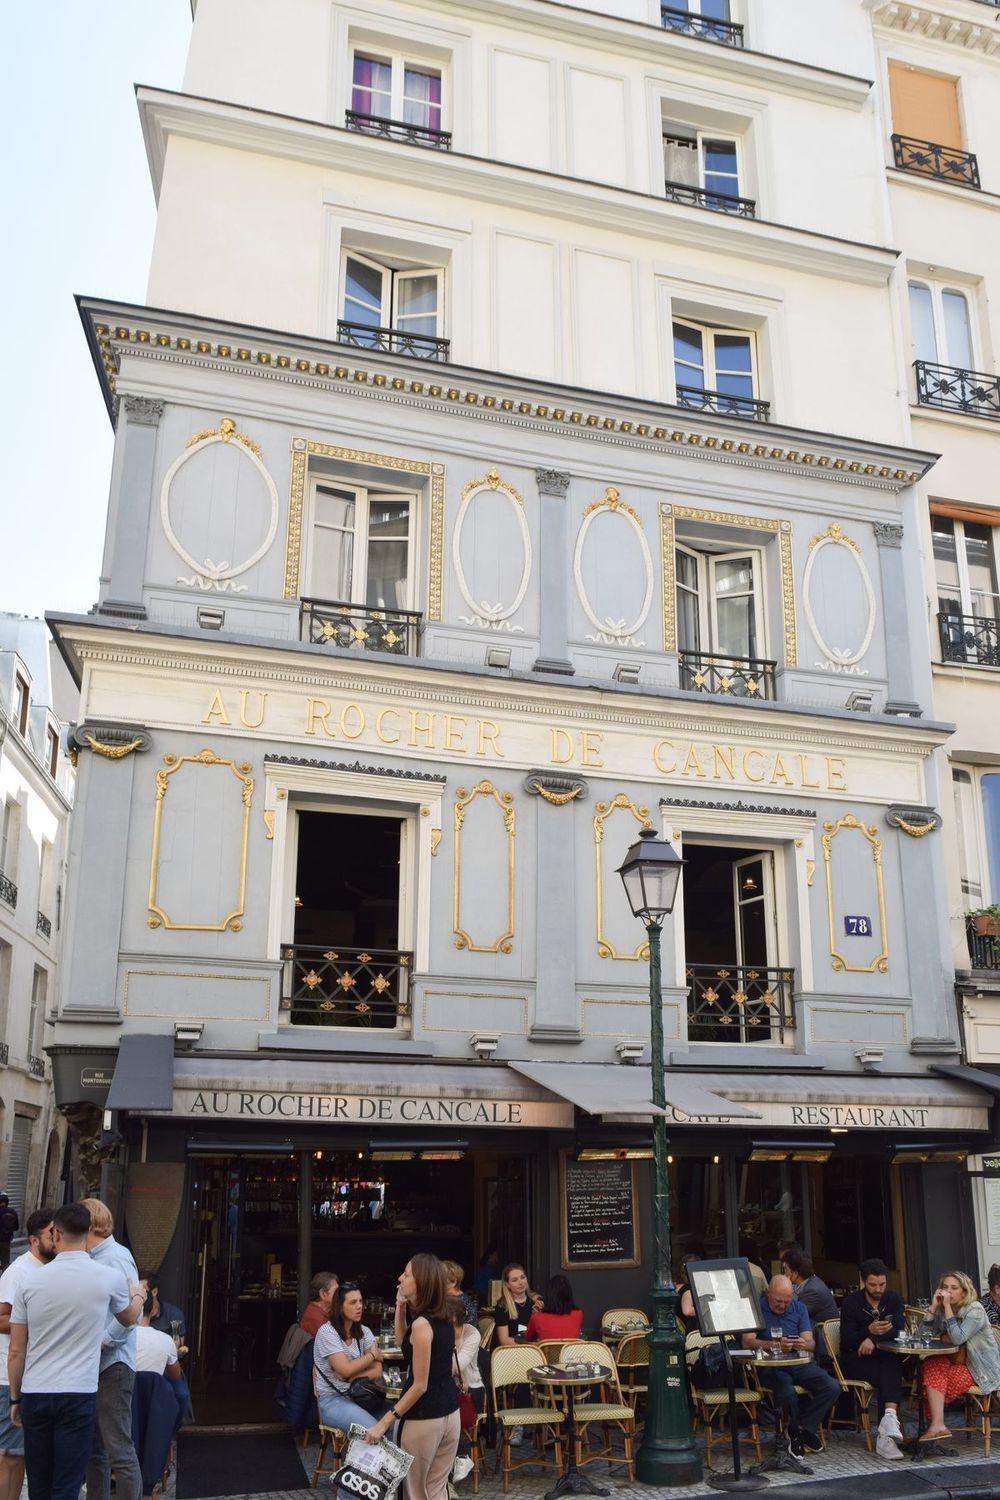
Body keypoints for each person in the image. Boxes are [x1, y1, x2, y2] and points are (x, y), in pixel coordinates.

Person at [7, 1202, 145, 1500]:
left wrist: (15, 1399)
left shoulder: (29, 1281)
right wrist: (139, 1294)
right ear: (86, 1234)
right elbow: (130, 1318)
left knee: (40, 1486)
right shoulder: (107, 1278)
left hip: (36, 1390)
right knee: (67, 1485)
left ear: (55, 1233)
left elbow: (17, 1350)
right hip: (78, 1391)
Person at [367, 1254, 460, 1500]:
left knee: (414, 1492)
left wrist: (385, 1421)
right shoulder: (443, 1315)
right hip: (450, 1414)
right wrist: (400, 1306)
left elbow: (419, 1385)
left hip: (423, 1418)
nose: (400, 1278)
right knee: (436, 1489)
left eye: (406, 1274)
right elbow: (404, 1344)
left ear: (421, 1282)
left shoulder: (422, 1325)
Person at [82, 1197, 144, 1500]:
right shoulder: (93, 1257)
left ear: (88, 1224)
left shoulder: (115, 1257)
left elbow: (131, 1315)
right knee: (96, 1450)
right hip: (96, 1364)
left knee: (119, 1449)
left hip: (112, 1364)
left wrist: (102, 1341)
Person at [741, 1275, 839, 1457]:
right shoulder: (756, 1308)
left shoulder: (798, 1308)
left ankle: (799, 1429)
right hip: (770, 1365)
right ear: (768, 1293)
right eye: (779, 1301)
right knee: (787, 1393)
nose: (783, 1306)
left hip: (797, 1363)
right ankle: (799, 1433)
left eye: (787, 1302)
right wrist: (774, 1345)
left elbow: (810, 1343)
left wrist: (802, 1343)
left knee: (831, 1386)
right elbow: (747, 1342)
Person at [0, 1209, 55, 1500]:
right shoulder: (19, 1272)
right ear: (34, 1240)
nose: (57, 1239)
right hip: (10, 1377)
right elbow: (1, 1318)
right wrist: (36, 1320)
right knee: (10, 1453)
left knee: (22, 1453)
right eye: (51, 1234)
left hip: (35, 1374)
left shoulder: (49, 1270)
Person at [920, 1270, 1000, 1442]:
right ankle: (936, 1427)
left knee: (930, 1383)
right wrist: (933, 1307)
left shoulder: (975, 1310)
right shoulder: (941, 1309)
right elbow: (921, 1338)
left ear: (964, 1291)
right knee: (931, 1364)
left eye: (954, 1288)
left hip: (979, 1368)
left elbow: (957, 1338)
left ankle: (934, 1428)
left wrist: (947, 1308)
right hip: (956, 1363)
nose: (947, 1292)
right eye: (945, 1287)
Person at [838, 1257, 906, 1458]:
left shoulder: (892, 1299)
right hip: (855, 1360)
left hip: (882, 1355)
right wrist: (867, 1331)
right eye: (873, 1284)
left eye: (882, 1284)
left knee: (892, 1363)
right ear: (863, 1282)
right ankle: (888, 1432)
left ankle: (887, 1428)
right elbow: (847, 1342)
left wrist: (873, 1339)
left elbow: (899, 1330)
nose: (878, 1289)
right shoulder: (852, 1303)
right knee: (890, 1372)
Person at [313, 1280, 385, 1432]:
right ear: (339, 1307)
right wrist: (372, 1354)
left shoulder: (364, 1332)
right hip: (333, 1400)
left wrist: (353, 1376)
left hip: (362, 1394)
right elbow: (345, 1369)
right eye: (353, 1302)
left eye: (360, 1301)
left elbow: (377, 1371)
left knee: (399, 1423)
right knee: (376, 1430)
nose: (359, 1306)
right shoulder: (327, 1332)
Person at [135, 1295, 189, 1427]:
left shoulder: (120, 1337)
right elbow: (175, 1375)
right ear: (153, 1311)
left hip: (127, 1391)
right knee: (181, 1395)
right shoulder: (165, 1340)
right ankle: (171, 1433)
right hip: (155, 1392)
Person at [449, 1296, 484, 1483]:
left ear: (453, 1317)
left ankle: (460, 1456)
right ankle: (459, 1458)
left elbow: (457, 1366)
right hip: (448, 1389)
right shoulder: (440, 1332)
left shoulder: (472, 1334)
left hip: (470, 1393)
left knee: (439, 1411)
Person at [524, 1275, 583, 1342]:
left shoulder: (537, 1317)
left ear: (548, 1294)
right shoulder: (578, 1313)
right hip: (570, 1352)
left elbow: (528, 1338)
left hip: (546, 1352)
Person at [492, 1263, 540, 1347]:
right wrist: (530, 1344)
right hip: (512, 1352)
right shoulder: (503, 1306)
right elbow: (504, 1340)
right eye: (515, 1280)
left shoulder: (535, 1303)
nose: (520, 1282)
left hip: (534, 1351)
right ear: (507, 1284)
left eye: (523, 1277)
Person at [300, 1271, 339, 1337]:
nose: (339, 1294)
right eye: (336, 1291)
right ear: (323, 1294)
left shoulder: (323, 1311)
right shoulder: (315, 1318)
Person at [0, 1202, 17, 1276]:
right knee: (5, 1262)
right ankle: (4, 1280)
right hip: (6, 1241)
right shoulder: (12, 1212)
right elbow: (16, 1227)